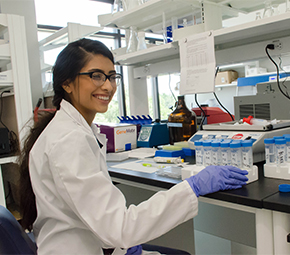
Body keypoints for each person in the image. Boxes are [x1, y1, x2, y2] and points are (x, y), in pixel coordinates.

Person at [18, 38, 248, 255]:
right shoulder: (68, 139)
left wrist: (118, 245)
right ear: (66, 83)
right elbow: (120, 228)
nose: (107, 86)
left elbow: (99, 218)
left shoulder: (72, 129)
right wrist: (192, 186)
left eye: (111, 76)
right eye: (96, 76)